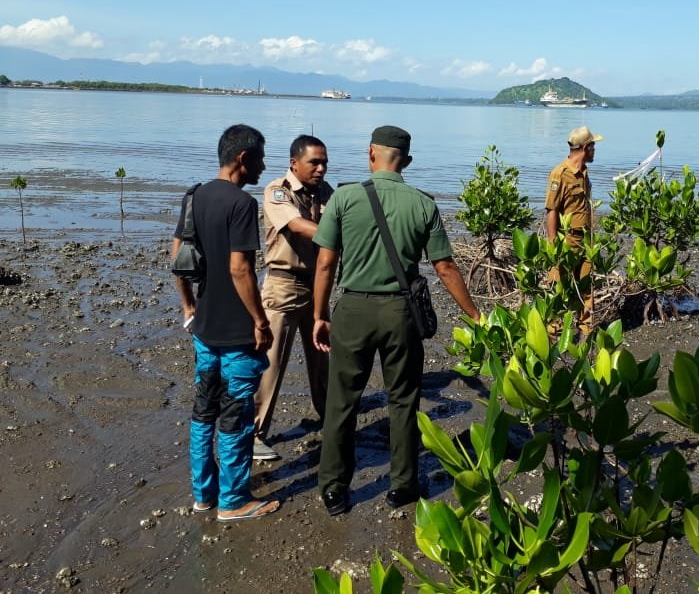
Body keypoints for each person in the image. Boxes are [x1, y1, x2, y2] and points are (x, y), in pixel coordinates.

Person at [311, 125, 480, 516]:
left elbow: (325, 263)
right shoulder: (423, 204)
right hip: (401, 313)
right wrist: (474, 315)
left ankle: (334, 488)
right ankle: (402, 485)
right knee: (403, 399)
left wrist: (319, 315)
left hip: (353, 309)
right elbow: (445, 266)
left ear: (371, 153)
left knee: (342, 401)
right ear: (407, 161)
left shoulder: (344, 198)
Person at [171, 124, 280, 523]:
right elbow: (240, 269)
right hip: (236, 332)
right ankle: (233, 501)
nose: (263, 167)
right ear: (242, 158)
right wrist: (260, 320)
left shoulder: (195, 195)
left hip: (204, 326)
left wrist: (188, 306)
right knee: (235, 416)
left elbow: (178, 257)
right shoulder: (241, 204)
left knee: (204, 411)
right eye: (260, 159)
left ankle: (204, 495)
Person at [251, 135, 333, 461]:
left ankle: (331, 417)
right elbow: (297, 225)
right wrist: (342, 233)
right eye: (314, 162)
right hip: (283, 286)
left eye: (324, 162)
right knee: (270, 364)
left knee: (322, 358)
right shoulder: (277, 191)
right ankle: (254, 435)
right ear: (294, 163)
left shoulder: (326, 192)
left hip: (317, 285)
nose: (321, 168)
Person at [544, 125, 603, 328]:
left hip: (585, 239)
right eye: (593, 146)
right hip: (567, 240)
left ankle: (586, 332)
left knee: (587, 287)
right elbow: (552, 210)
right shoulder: (559, 174)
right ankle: (554, 333)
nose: (595, 150)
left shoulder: (584, 172)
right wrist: (553, 244)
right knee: (559, 288)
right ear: (585, 148)